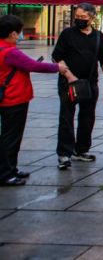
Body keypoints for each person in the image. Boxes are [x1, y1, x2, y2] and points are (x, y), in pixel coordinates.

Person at [0, 15, 65, 186]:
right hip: (14, 98)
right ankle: (6, 173)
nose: (20, 36)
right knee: (11, 137)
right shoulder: (10, 52)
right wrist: (57, 67)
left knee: (9, 135)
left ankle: (11, 169)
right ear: (13, 34)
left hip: (7, 97)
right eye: (19, 33)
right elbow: (33, 66)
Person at [52, 2, 103, 170]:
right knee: (66, 117)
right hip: (69, 82)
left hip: (90, 83)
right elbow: (57, 57)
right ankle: (64, 154)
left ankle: (81, 150)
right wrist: (69, 76)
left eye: (83, 17)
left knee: (87, 117)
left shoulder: (99, 36)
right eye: (77, 17)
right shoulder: (67, 34)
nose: (79, 20)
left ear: (92, 18)